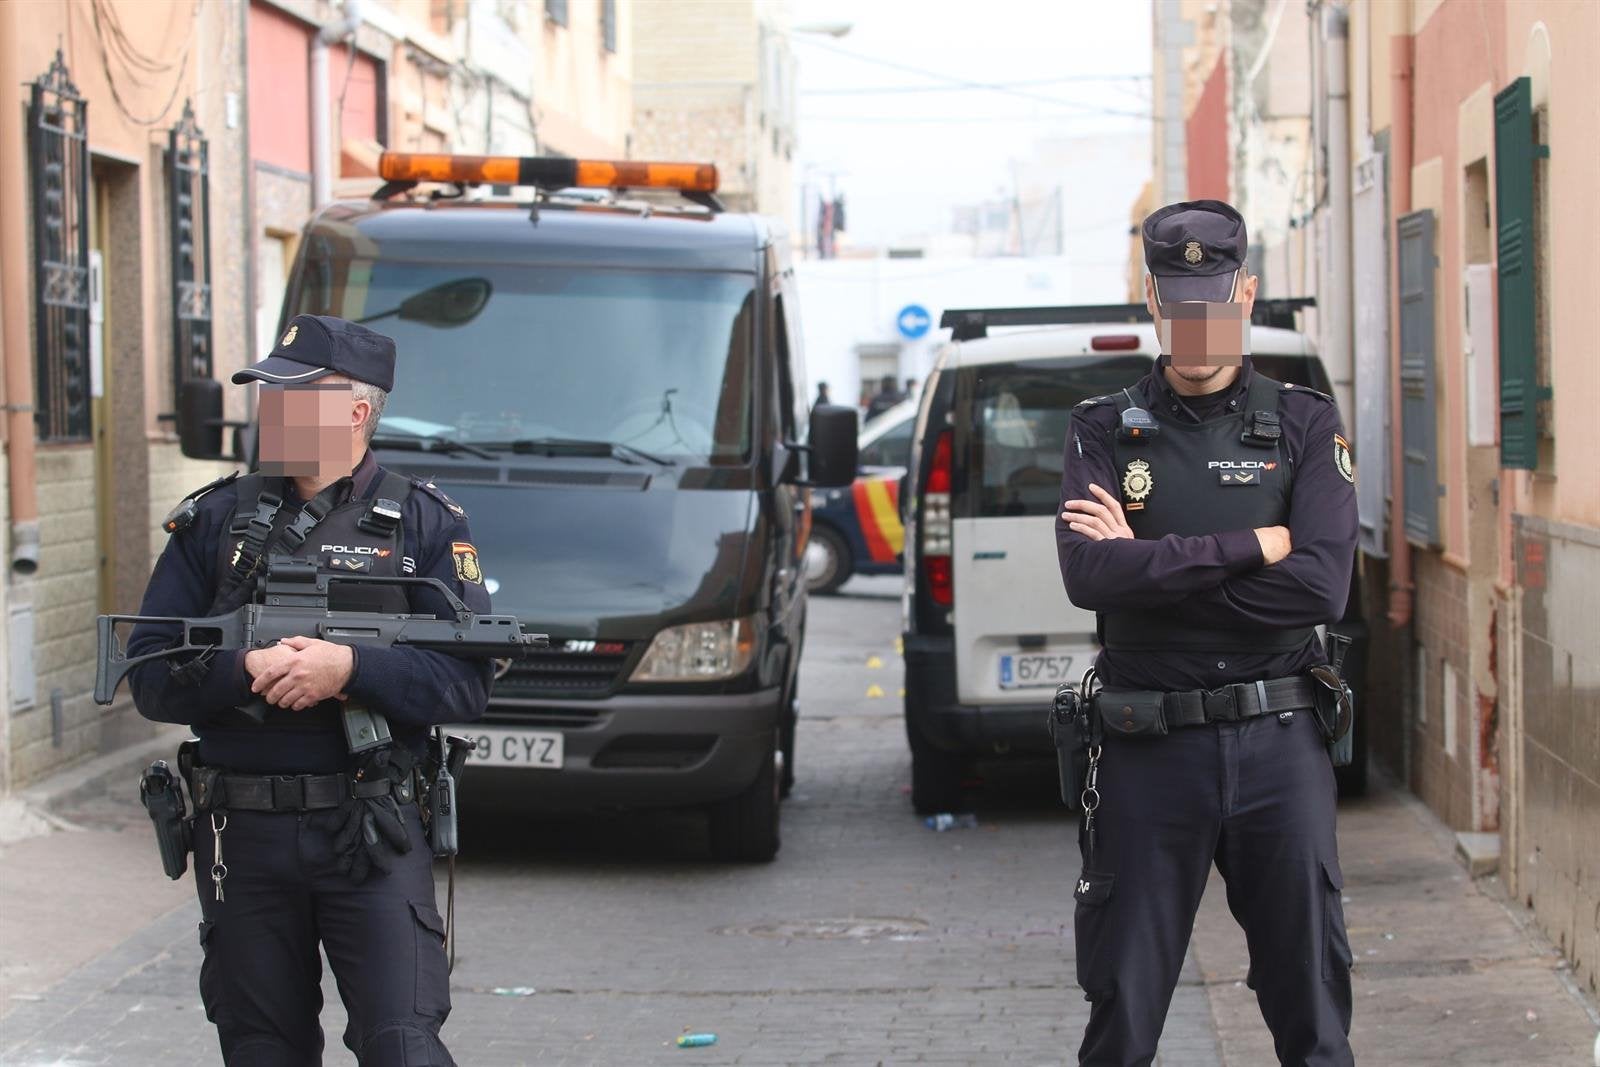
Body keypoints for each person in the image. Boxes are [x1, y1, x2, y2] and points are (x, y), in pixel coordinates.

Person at [128, 314, 492, 1065]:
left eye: (295, 394)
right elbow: (150, 673)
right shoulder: (215, 520)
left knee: (402, 1045)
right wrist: (242, 670)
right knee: (264, 1049)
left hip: (372, 826)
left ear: (356, 412)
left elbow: (464, 684)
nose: (273, 410)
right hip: (242, 835)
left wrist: (349, 669)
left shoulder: (423, 524)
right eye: (269, 393)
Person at [1055, 200, 1357, 1066]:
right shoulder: (1103, 427)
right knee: (1124, 1014)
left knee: (1313, 1011)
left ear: (1247, 293)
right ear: (1154, 300)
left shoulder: (1302, 422)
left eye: (1213, 305)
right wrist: (1248, 548)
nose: (1197, 325)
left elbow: (1320, 587)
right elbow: (1090, 578)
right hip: (1149, 750)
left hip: (1279, 746)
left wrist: (1152, 571)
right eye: (1180, 305)